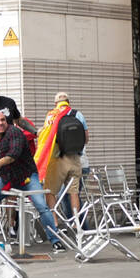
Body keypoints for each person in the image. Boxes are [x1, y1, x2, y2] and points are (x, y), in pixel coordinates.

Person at [0, 110, 69, 253]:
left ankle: (55, 240)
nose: (1, 123)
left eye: (3, 120)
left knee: (41, 206)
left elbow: (13, 155)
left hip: (27, 177)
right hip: (8, 179)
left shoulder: (14, 132)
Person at [35, 92, 87, 221]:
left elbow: (45, 138)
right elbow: (86, 138)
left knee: (50, 191)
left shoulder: (52, 115)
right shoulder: (77, 114)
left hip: (57, 160)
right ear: (68, 102)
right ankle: (76, 224)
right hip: (75, 159)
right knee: (74, 193)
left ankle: (55, 222)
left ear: (55, 104)